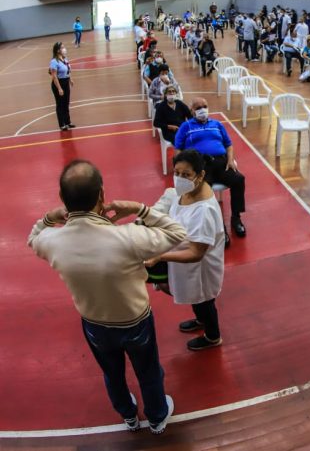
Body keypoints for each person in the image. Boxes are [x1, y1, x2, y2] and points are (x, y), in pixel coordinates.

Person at [27, 160, 185, 434]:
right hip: (135, 321)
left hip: (94, 323)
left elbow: (34, 237)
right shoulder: (128, 237)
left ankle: (128, 415)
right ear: (102, 195)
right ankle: (157, 417)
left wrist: (50, 217)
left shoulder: (53, 241)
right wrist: (140, 208)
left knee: (112, 374)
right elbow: (178, 233)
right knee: (148, 371)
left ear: (63, 199)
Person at [147, 150, 225, 351]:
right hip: (184, 263)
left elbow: (196, 253)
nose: (180, 178)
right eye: (177, 173)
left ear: (200, 175)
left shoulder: (204, 210)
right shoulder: (186, 192)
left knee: (204, 300)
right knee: (195, 298)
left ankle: (212, 336)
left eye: (186, 175)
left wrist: (161, 256)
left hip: (200, 269)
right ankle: (200, 320)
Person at [174, 98, 247, 238]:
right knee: (205, 190)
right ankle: (220, 227)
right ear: (192, 111)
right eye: (198, 107)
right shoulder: (186, 126)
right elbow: (178, 149)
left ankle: (236, 218)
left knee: (239, 179)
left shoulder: (217, 124)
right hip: (201, 165)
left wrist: (230, 160)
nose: (202, 110)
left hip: (221, 162)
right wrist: (181, 168)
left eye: (205, 106)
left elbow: (228, 144)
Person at [49, 42, 74, 131]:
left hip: (65, 82)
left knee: (66, 103)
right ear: (58, 50)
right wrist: (59, 88)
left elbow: (67, 70)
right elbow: (54, 76)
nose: (64, 49)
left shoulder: (65, 59)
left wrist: (70, 79)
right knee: (60, 104)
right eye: (62, 47)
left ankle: (68, 122)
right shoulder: (54, 62)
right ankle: (62, 124)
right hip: (58, 84)